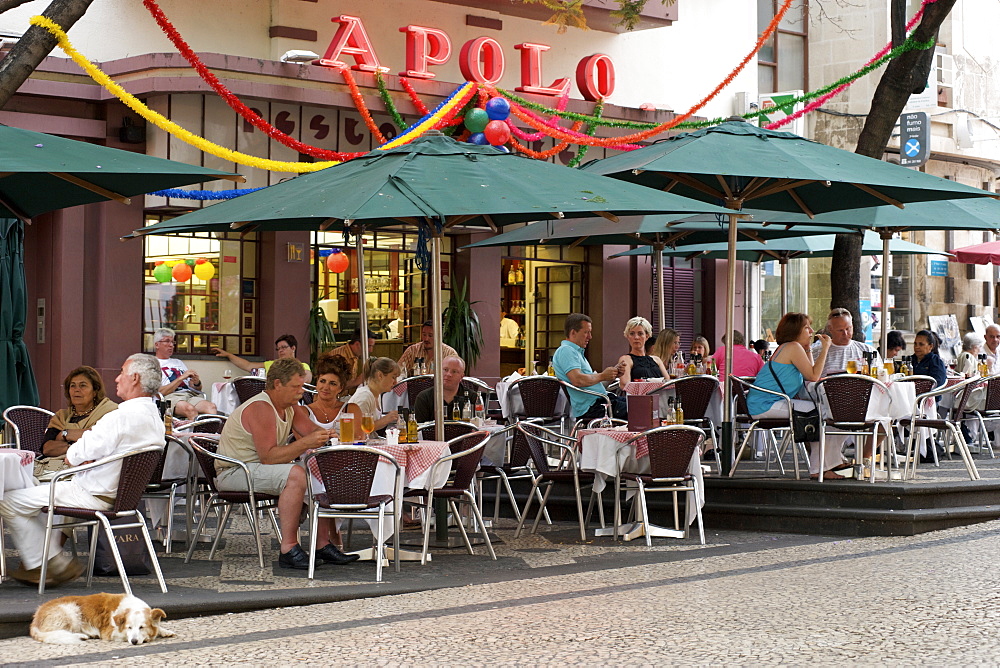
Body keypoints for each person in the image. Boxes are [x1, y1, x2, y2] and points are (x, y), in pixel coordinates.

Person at [0, 354, 165, 587]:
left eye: (121, 372)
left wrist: (81, 454)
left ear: (135, 378)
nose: (117, 379)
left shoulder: (120, 417)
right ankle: (47, 562)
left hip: (92, 494)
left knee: (8, 500)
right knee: (31, 497)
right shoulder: (154, 418)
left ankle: (49, 563)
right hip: (121, 498)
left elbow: (74, 454)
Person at [216, 358, 357, 569]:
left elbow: (315, 433)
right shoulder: (261, 407)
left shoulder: (290, 407)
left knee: (315, 470)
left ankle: (322, 544)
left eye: (302, 386)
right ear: (277, 384)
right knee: (296, 474)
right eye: (296, 386)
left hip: (255, 469)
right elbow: (269, 457)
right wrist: (306, 444)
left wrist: (339, 437)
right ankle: (288, 548)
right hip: (235, 472)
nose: (301, 392)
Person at [746, 313, 845, 480]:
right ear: (795, 330)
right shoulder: (792, 347)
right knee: (825, 413)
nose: (812, 331)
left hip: (768, 402)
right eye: (807, 327)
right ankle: (821, 467)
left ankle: (829, 463)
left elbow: (810, 373)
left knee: (828, 412)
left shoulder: (792, 347)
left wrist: (808, 349)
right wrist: (825, 348)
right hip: (766, 404)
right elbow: (814, 376)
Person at [304, 352, 353, 552]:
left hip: (346, 464)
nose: (326, 387)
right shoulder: (303, 411)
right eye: (322, 381)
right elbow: (303, 441)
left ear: (341, 388)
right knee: (321, 478)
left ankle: (330, 539)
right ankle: (328, 540)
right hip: (311, 466)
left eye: (333, 383)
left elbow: (358, 439)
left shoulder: (351, 408)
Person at [38, 366, 118, 478]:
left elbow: (101, 442)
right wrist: (79, 446)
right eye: (72, 386)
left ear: (95, 391)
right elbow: (47, 449)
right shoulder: (61, 416)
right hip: (54, 471)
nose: (76, 390)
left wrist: (65, 434)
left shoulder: (109, 412)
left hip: (93, 474)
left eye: (83, 385)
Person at [552, 313, 626, 421]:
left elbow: (593, 385)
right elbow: (577, 380)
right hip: (593, 407)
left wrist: (612, 375)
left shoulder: (577, 352)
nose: (590, 337)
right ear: (573, 332)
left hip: (601, 402)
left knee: (641, 405)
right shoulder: (566, 350)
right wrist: (602, 375)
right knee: (640, 410)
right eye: (586, 332)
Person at [153, 327, 218, 419]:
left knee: (211, 407)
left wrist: (196, 382)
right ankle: (193, 433)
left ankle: (208, 433)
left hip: (189, 395)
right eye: (167, 341)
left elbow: (197, 389)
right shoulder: (152, 363)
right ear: (157, 345)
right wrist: (181, 378)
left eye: (172, 342)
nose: (171, 345)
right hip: (169, 398)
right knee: (190, 409)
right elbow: (159, 392)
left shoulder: (178, 362)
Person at [213, 334, 313, 383]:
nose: (280, 351)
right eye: (278, 349)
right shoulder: (273, 364)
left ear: (293, 348)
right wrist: (229, 355)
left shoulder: (302, 366)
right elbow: (248, 365)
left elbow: (307, 379)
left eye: (283, 347)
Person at [811, 308, 881, 375]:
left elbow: (880, 376)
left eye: (848, 328)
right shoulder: (818, 352)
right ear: (830, 329)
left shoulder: (868, 350)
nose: (845, 333)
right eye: (840, 330)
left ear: (852, 326)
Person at [345, 357, 401, 435]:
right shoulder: (364, 396)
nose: (395, 382)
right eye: (393, 377)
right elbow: (358, 431)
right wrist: (386, 419)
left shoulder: (376, 395)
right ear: (380, 375)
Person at [413, 355, 478, 423]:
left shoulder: (472, 397)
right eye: (445, 370)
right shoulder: (424, 398)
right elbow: (420, 430)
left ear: (461, 377)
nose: (449, 374)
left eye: (454, 371)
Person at [617, 316, 668, 383]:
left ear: (647, 336)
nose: (636, 337)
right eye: (632, 334)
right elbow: (625, 385)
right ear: (628, 336)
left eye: (640, 334)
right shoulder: (626, 359)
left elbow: (668, 382)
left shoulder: (657, 360)